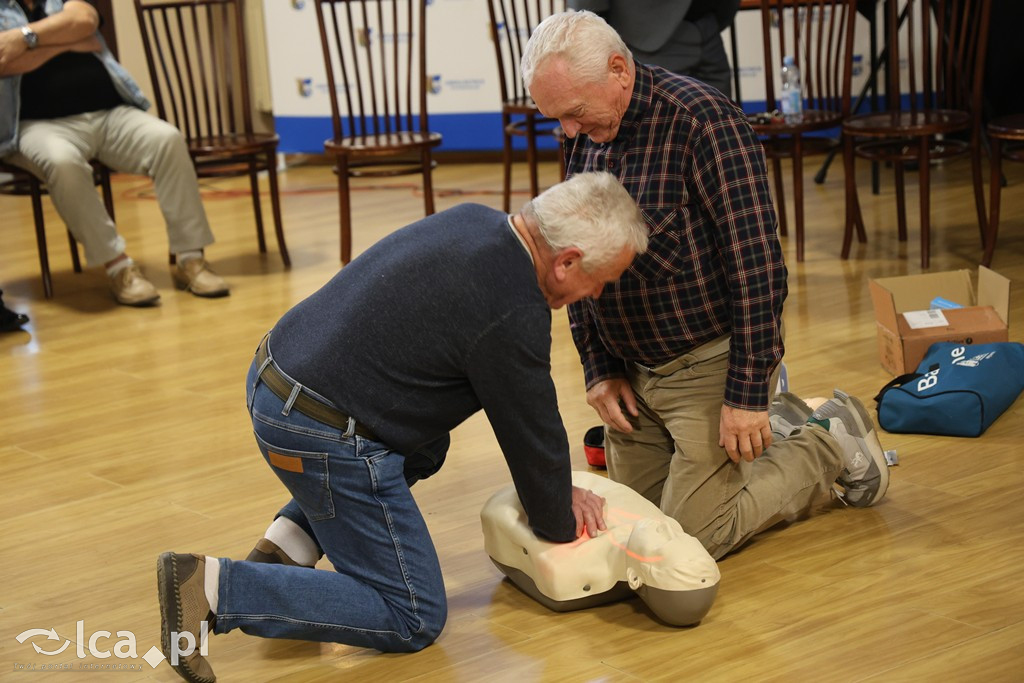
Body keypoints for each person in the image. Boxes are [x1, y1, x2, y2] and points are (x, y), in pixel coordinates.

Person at [155, 171, 649, 682]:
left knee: (424, 445)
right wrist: (563, 517)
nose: (596, 295)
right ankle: (212, 588)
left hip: (275, 374)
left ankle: (287, 548)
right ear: (567, 262)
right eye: (602, 281)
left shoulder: (478, 220)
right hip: (313, 427)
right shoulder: (512, 309)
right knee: (411, 613)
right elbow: (532, 434)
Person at [520, 10, 890, 562]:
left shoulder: (702, 121)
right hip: (633, 372)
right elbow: (573, 261)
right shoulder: (587, 127)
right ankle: (772, 428)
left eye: (573, 114)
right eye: (558, 121)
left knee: (690, 536)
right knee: (633, 527)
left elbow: (758, 265)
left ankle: (827, 440)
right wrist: (599, 368)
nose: (568, 133)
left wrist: (744, 392)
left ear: (619, 69)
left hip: (706, 364)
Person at [0, 0, 228, 306]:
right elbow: (5, 63)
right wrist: (69, 40)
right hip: (35, 125)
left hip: (110, 114)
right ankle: (119, 268)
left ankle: (191, 259)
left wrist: (26, 39)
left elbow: (86, 21)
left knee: (168, 139)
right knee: (62, 162)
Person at [482, 469, 721, 627]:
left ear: (635, 578)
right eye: (680, 534)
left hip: (510, 503)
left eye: (663, 541)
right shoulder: (660, 525)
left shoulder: (567, 571)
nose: (667, 527)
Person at [566, 0, 740, 98]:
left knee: (722, 127)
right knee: (657, 137)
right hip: (642, 33)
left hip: (708, 24)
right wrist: (596, 29)